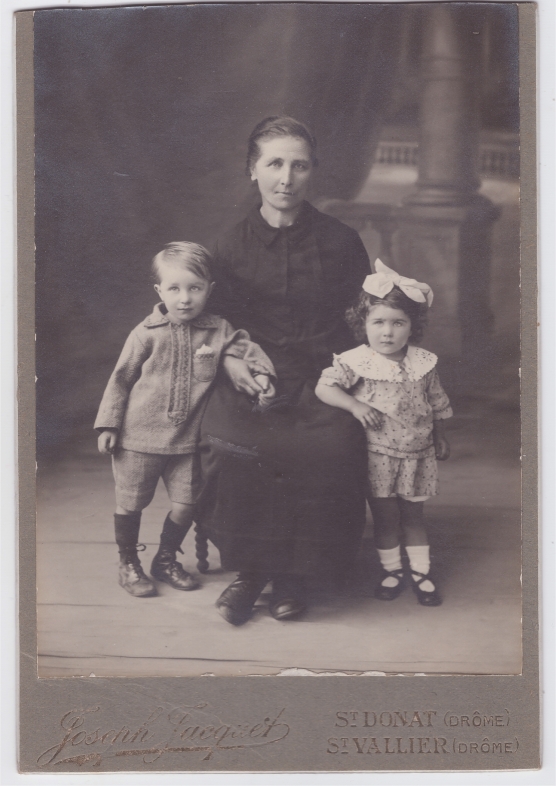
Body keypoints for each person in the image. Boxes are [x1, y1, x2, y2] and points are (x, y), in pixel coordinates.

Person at [198, 116, 371, 625]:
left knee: (330, 443)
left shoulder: (341, 241)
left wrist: (349, 376)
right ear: (252, 170)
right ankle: (251, 571)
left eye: (299, 165)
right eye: (274, 164)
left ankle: (296, 576)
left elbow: (362, 322)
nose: (286, 178)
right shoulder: (228, 246)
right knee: (231, 440)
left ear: (312, 171)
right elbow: (216, 322)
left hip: (326, 373)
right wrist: (232, 362)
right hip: (254, 373)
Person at [94, 242, 275, 597]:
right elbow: (121, 379)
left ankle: (165, 558)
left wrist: (263, 374)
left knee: (187, 504)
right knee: (130, 502)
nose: (185, 298)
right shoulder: (145, 333)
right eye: (174, 288)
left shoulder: (217, 330)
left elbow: (246, 349)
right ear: (159, 291)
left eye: (195, 288)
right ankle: (128, 563)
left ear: (210, 290)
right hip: (138, 438)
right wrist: (108, 424)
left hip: (187, 440)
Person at [315, 258, 453, 606]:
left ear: (413, 326)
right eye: (378, 322)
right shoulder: (356, 360)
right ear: (363, 323)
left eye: (398, 323)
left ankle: (421, 573)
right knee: (387, 518)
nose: (387, 332)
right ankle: (392, 571)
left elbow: (435, 402)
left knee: (414, 517)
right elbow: (324, 388)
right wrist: (356, 406)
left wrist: (439, 434)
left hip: (418, 454)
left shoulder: (423, 363)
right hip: (378, 455)